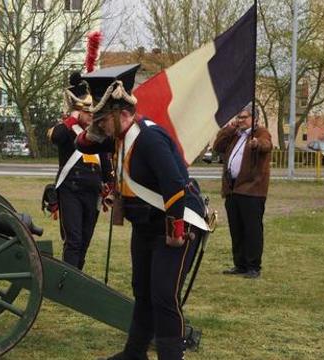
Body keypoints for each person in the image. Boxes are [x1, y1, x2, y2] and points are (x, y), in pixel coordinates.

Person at [75, 64, 208, 360]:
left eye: (105, 119)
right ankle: (134, 353)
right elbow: (80, 142)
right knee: (143, 292)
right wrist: (95, 131)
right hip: (146, 226)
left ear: (122, 114)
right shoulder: (118, 136)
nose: (103, 126)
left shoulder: (149, 138)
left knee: (163, 294)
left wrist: (175, 231)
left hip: (176, 222)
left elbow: (173, 183)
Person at [45, 72, 113, 270]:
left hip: (92, 192)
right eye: (88, 112)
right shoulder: (67, 130)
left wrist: (110, 183)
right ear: (79, 111)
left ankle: (77, 277)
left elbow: (105, 161)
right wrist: (73, 116)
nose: (92, 116)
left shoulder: (96, 134)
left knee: (85, 240)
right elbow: (56, 136)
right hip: (70, 190)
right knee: (73, 239)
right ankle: (69, 281)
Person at [213, 107, 271, 279]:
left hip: (252, 190)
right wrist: (229, 129)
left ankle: (253, 266)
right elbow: (218, 146)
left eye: (244, 117)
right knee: (236, 228)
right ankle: (240, 264)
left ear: (254, 118)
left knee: (252, 229)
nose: (240, 120)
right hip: (233, 189)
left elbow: (266, 144)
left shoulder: (261, 132)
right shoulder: (236, 134)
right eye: (238, 117)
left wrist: (256, 143)